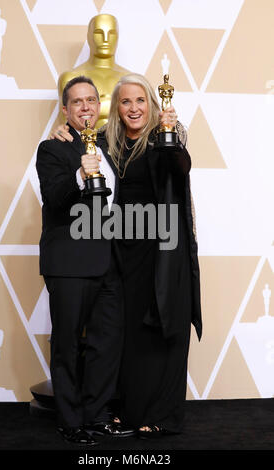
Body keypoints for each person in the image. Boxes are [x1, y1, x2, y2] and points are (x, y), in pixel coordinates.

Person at [52, 73, 202, 438]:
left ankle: (162, 415)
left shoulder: (164, 137)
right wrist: (63, 130)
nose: (133, 108)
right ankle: (131, 411)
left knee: (164, 326)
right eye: (125, 102)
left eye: (140, 101)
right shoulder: (106, 142)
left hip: (163, 247)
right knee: (131, 332)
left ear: (152, 103)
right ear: (115, 109)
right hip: (123, 249)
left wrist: (173, 130)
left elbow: (181, 167)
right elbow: (80, 144)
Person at [36, 75, 133, 446]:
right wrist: (80, 171)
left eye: (91, 100)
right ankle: (70, 420)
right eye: (77, 102)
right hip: (69, 262)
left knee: (106, 343)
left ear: (99, 104)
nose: (85, 107)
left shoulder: (109, 147)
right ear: (65, 110)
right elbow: (55, 197)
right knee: (67, 344)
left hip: (108, 261)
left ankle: (97, 415)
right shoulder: (53, 148)